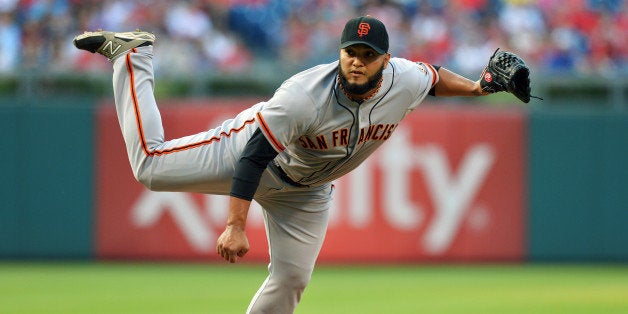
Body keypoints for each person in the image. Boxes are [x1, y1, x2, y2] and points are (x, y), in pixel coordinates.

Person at [73, 16, 507, 314]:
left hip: (307, 192)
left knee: (292, 279)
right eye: (350, 51)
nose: (357, 60)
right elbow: (255, 155)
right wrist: (236, 224)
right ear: (339, 52)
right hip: (252, 154)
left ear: (385, 60)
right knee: (149, 167)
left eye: (368, 54)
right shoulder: (305, 94)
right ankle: (133, 55)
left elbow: (433, 77)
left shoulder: (405, 79)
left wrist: (478, 87)